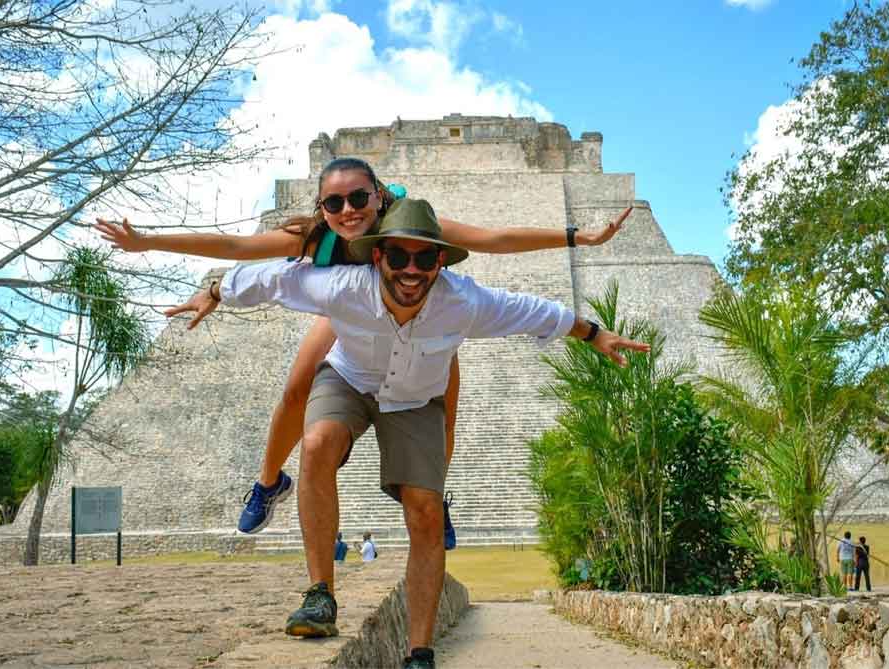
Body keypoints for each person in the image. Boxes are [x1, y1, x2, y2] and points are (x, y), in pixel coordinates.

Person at [169, 197, 649, 669]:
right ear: (377, 257)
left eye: (424, 257)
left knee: (424, 513)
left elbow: (533, 310)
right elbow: (270, 278)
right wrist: (212, 292)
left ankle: (419, 652)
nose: (411, 270)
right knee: (315, 443)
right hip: (350, 380)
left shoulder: (463, 301)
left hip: (417, 398)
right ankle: (320, 596)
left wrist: (594, 333)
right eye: (398, 256)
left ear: (441, 260)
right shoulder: (343, 286)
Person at [96, 157, 633, 548]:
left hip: (416, 313)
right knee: (298, 385)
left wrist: (575, 237)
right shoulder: (314, 240)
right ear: (322, 208)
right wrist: (154, 246)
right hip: (345, 305)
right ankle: (268, 482)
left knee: (442, 399)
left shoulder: (415, 227)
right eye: (334, 203)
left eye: (358, 199)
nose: (348, 211)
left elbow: (492, 238)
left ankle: (435, 496)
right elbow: (238, 250)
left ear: (380, 196)